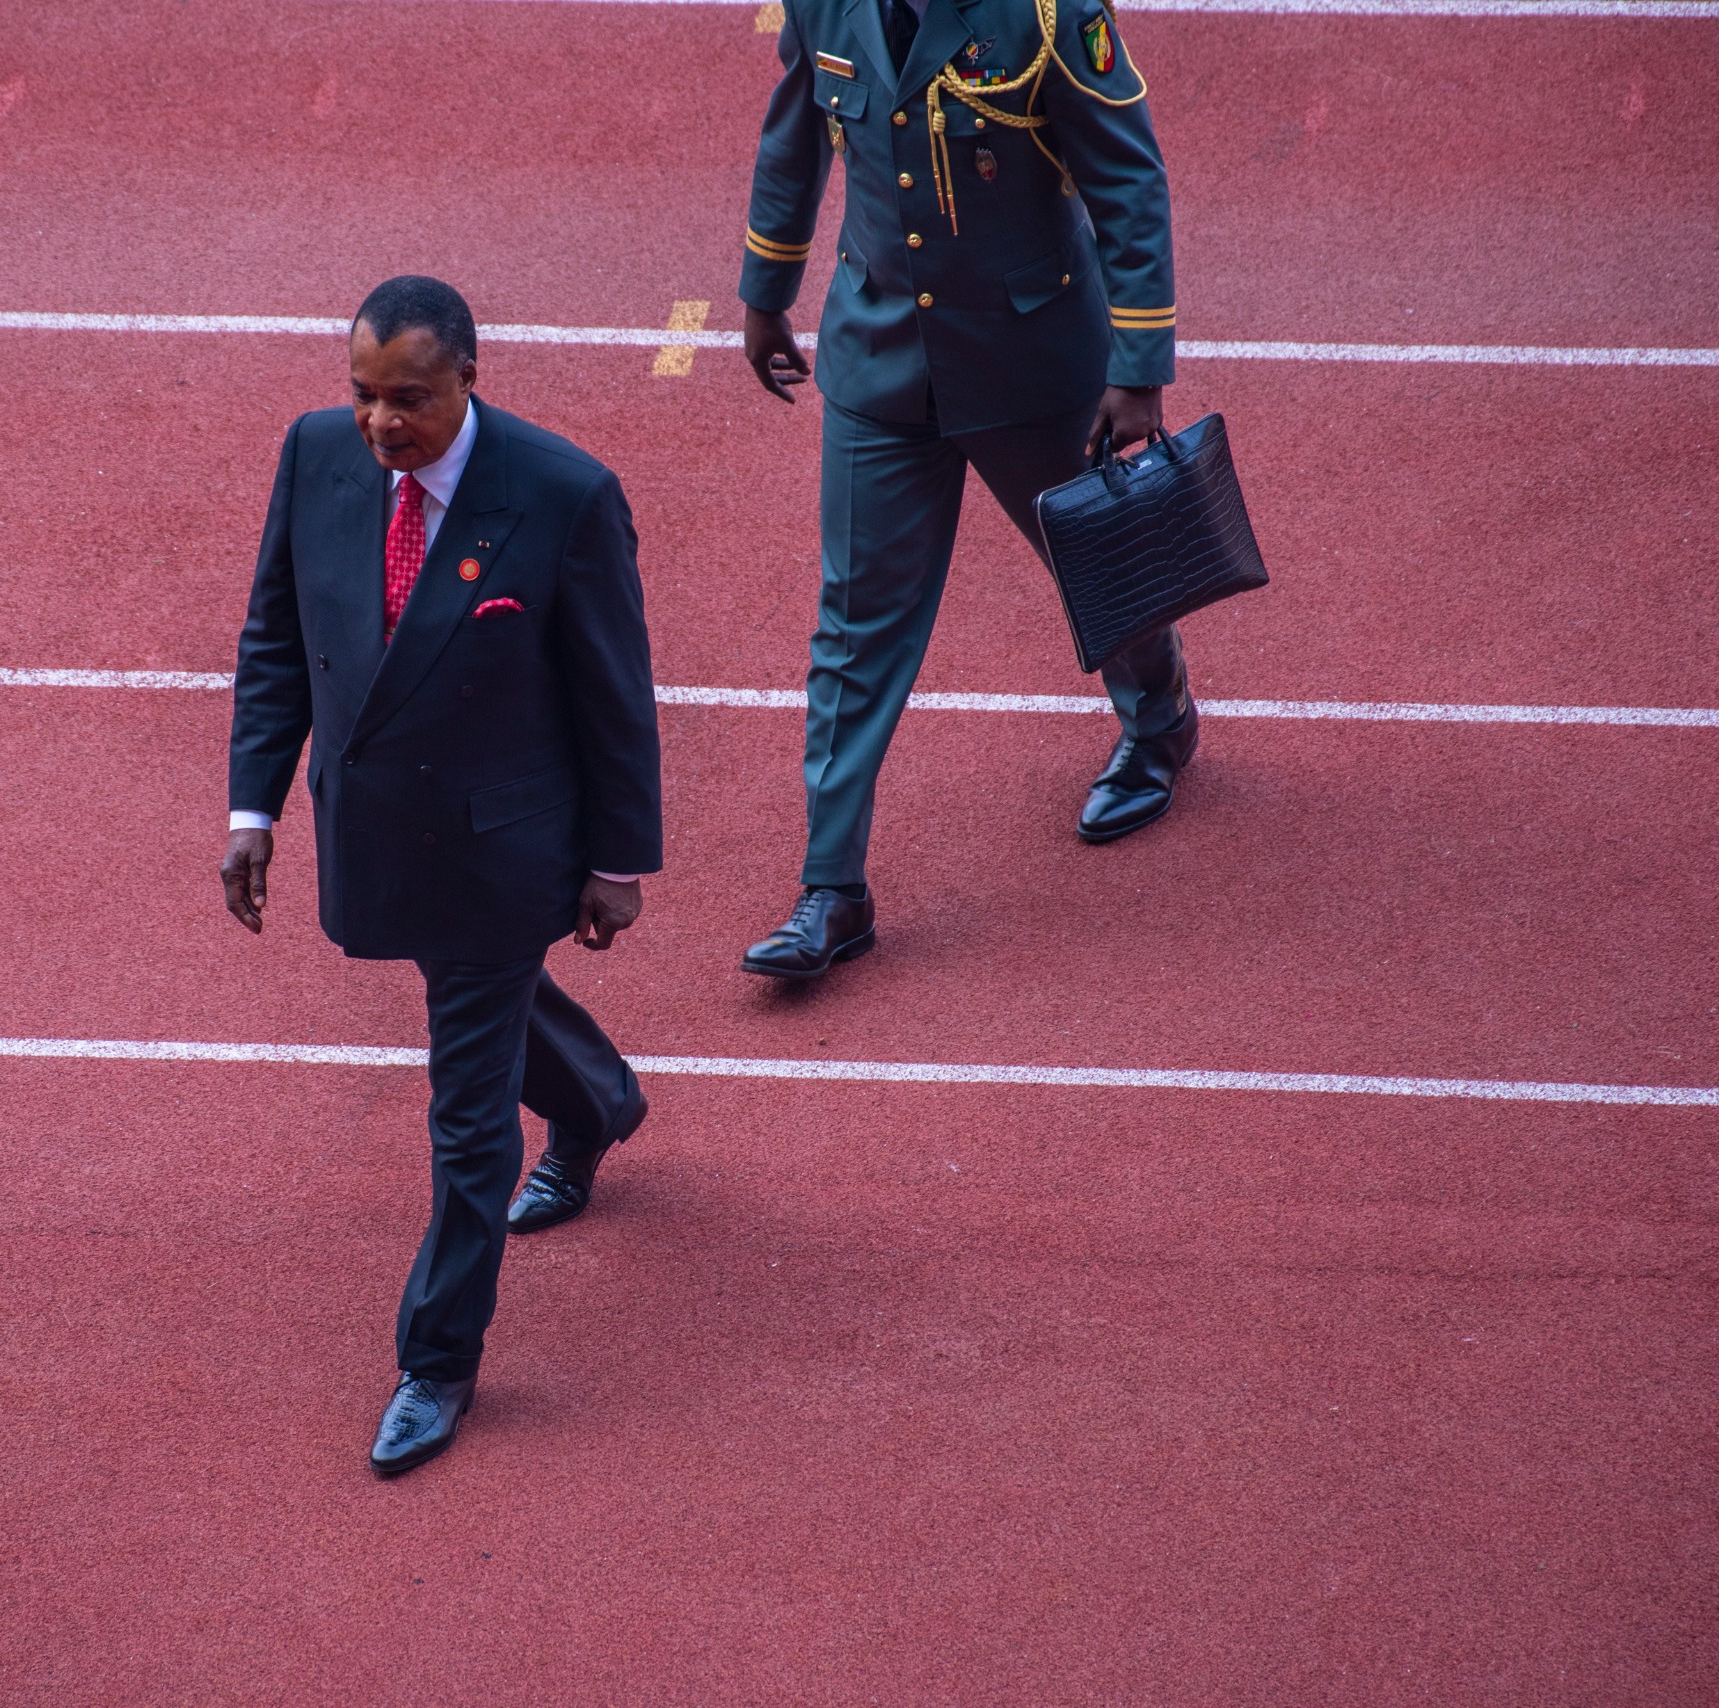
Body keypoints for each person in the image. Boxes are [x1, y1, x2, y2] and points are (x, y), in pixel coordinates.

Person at [222, 276, 663, 1476]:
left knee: (467, 1117)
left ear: (469, 376)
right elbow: (277, 637)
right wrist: (254, 806)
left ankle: (437, 1360)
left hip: (500, 850)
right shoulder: (315, 455)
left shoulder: (563, 494)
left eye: (408, 398)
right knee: (483, 996)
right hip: (373, 832)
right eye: (362, 394)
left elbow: (612, 690)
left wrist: (617, 859)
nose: (381, 422)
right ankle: (597, 1103)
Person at [735, 0, 1197, 978]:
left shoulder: (1045, 14)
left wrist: (1137, 368)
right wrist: (765, 290)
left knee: (1100, 566)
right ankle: (831, 890)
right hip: (879, 356)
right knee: (855, 623)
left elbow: (1126, 176)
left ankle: (1158, 711)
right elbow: (795, 133)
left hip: (1029, 355)